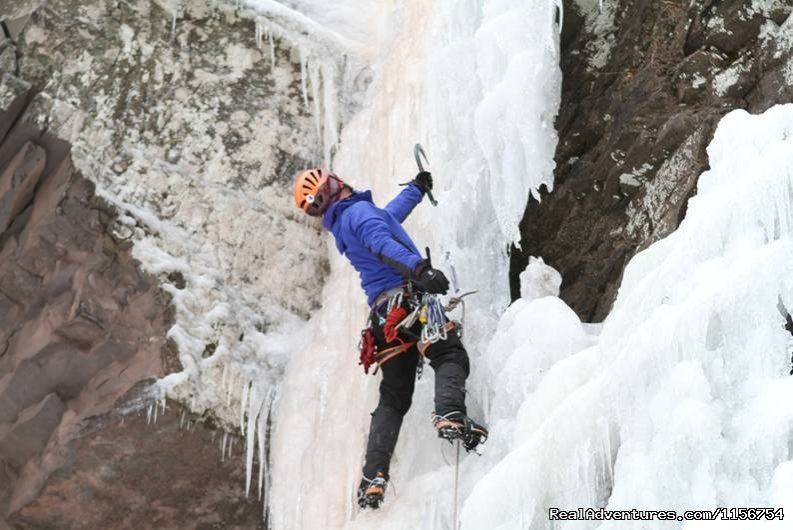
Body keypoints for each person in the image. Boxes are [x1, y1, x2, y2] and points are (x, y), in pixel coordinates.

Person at [292, 167, 488, 509]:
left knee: (394, 398)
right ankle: (451, 415)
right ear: (334, 185)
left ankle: (373, 478)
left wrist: (416, 189)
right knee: (448, 354)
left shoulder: (345, 221)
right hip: (409, 301)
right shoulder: (357, 212)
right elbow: (383, 243)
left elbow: (389, 219)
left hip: (384, 321)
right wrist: (420, 269)